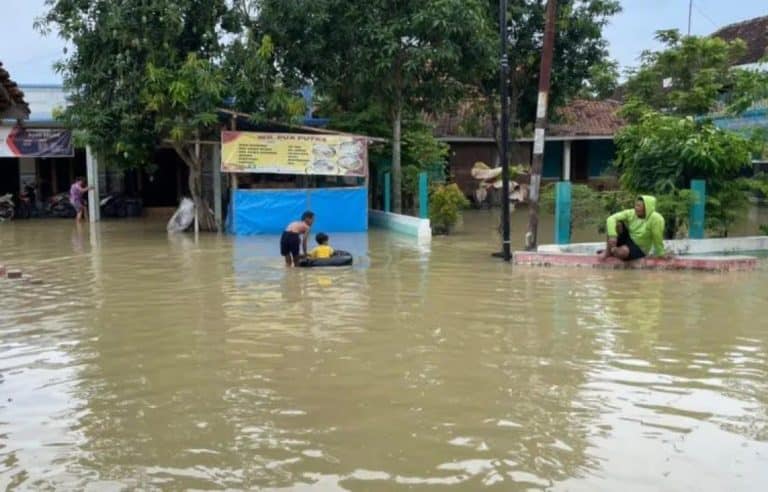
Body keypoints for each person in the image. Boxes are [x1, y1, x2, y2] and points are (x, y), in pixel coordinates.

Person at [599, 195, 668, 261]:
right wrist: (612, 235)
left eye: (639, 206)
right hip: (629, 238)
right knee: (617, 224)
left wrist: (661, 254)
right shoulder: (631, 213)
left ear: (647, 208)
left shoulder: (656, 219)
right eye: (636, 205)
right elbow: (611, 218)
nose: (636, 208)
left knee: (622, 252)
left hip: (640, 247)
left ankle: (614, 250)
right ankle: (608, 252)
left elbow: (657, 237)